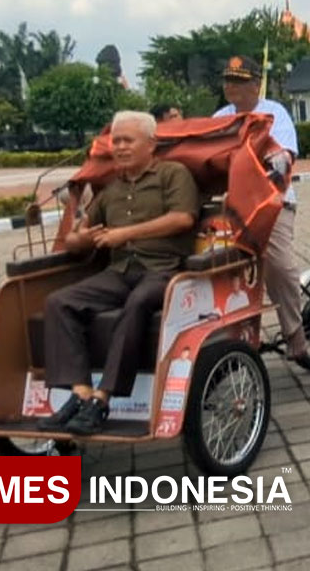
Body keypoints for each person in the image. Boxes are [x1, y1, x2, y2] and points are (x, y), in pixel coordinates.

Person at [39, 111, 200, 435]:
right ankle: (81, 393)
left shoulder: (172, 174)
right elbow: (74, 238)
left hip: (163, 270)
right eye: (116, 141)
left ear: (151, 145)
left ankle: (104, 397)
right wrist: (80, 239)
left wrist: (126, 234)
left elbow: (183, 218)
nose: (121, 147)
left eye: (129, 140)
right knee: (59, 302)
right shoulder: (109, 190)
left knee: (138, 302)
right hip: (118, 271)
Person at [212, 56, 307, 359]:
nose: (231, 86)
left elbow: (284, 160)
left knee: (277, 264)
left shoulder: (274, 113)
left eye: (238, 81)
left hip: (272, 203)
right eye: (228, 80)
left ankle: (295, 331)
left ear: (256, 84)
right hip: (231, 206)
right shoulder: (219, 117)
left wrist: (257, 183)